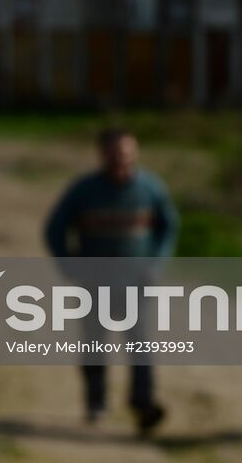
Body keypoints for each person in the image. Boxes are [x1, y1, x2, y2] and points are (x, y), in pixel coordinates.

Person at [44, 127, 179, 437]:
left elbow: (168, 227)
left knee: (140, 345)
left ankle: (143, 405)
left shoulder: (151, 189)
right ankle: (96, 402)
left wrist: (157, 263)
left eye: (128, 153)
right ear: (102, 154)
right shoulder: (84, 191)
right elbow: (54, 230)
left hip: (136, 282)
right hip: (95, 283)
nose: (122, 159)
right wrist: (71, 266)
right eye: (116, 153)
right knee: (94, 344)